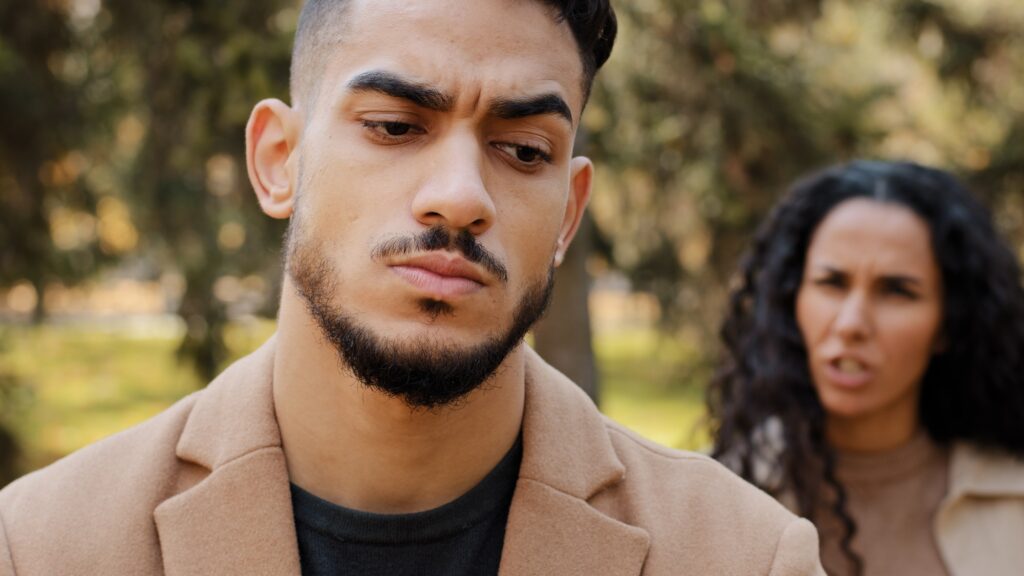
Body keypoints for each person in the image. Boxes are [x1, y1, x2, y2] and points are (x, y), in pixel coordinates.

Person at [0, 1, 825, 574]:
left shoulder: (745, 557)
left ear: (570, 212)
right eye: (396, 126)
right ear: (278, 161)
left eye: (524, 150)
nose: (461, 196)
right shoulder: (40, 549)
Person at [708, 159, 1024, 576]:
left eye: (897, 291)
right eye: (832, 283)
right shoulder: (716, 494)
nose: (852, 323)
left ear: (949, 323)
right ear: (791, 300)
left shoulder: (1013, 498)